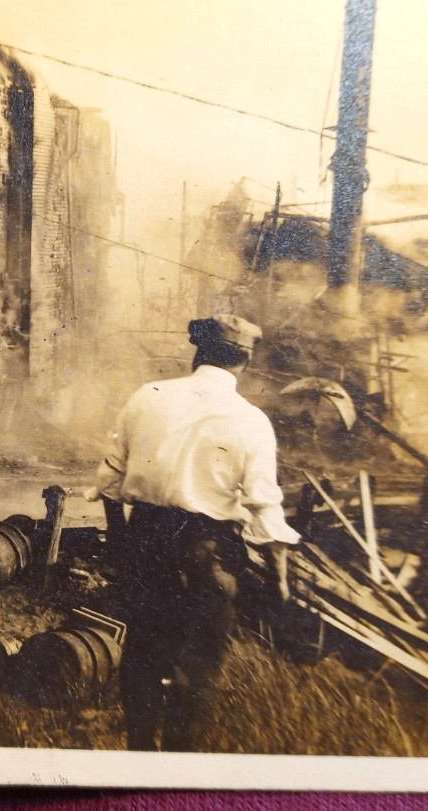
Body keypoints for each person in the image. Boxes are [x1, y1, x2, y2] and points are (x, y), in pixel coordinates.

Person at [86, 314, 298, 751]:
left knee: (143, 653)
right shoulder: (250, 420)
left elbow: (109, 473)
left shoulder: (148, 396)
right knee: (197, 664)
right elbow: (264, 506)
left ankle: (140, 753)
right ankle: (179, 764)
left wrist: (123, 536)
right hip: (206, 550)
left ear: (197, 350)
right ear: (245, 362)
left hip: (145, 540)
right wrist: (279, 575)